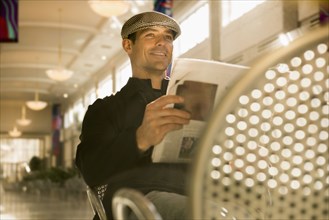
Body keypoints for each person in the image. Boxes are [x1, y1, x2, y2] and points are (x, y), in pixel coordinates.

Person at [75, 11, 191, 220]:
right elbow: (91, 170)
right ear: (128, 46)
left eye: (167, 37)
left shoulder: (188, 101)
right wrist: (140, 138)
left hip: (195, 191)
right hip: (138, 202)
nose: (161, 43)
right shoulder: (105, 109)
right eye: (150, 36)